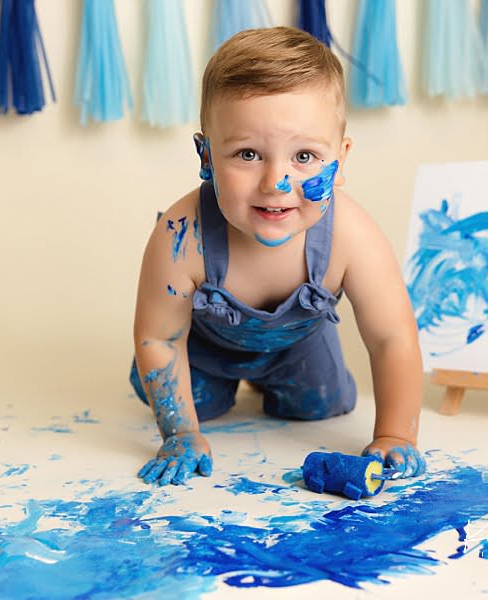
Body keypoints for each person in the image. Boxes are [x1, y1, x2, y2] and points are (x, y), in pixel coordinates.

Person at [130, 26, 424, 486]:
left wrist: (396, 434)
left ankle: (279, 384)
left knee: (324, 406)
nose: (276, 182)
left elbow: (393, 337)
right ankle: (207, 396)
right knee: (192, 402)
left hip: (298, 351)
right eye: (248, 153)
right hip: (206, 353)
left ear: (341, 161)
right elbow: (160, 339)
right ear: (206, 155)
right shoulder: (181, 234)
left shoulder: (350, 234)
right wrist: (181, 431)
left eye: (305, 156)